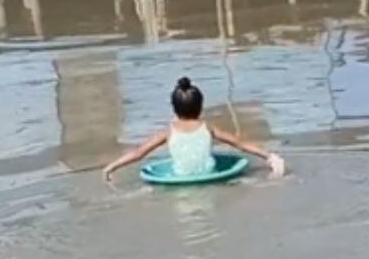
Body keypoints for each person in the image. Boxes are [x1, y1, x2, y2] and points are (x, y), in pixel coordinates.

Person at [102, 77, 286, 182]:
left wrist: (112, 167)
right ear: (200, 107)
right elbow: (241, 145)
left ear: (174, 109)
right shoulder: (208, 127)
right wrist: (269, 156)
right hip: (209, 174)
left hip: (180, 178)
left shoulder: (168, 132)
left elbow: (139, 153)